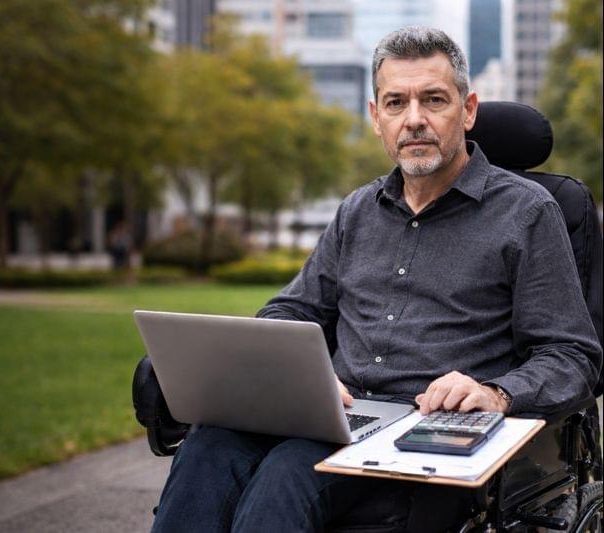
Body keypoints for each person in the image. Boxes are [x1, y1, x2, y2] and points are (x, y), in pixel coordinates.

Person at [151, 26, 602, 533]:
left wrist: (496, 392)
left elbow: (572, 356)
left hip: (425, 435)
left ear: (468, 109)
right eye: (395, 103)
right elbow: (295, 311)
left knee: (288, 471)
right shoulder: (357, 211)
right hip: (336, 415)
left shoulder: (528, 212)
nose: (414, 120)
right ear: (376, 119)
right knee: (209, 445)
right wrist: (285, 366)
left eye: (433, 100)